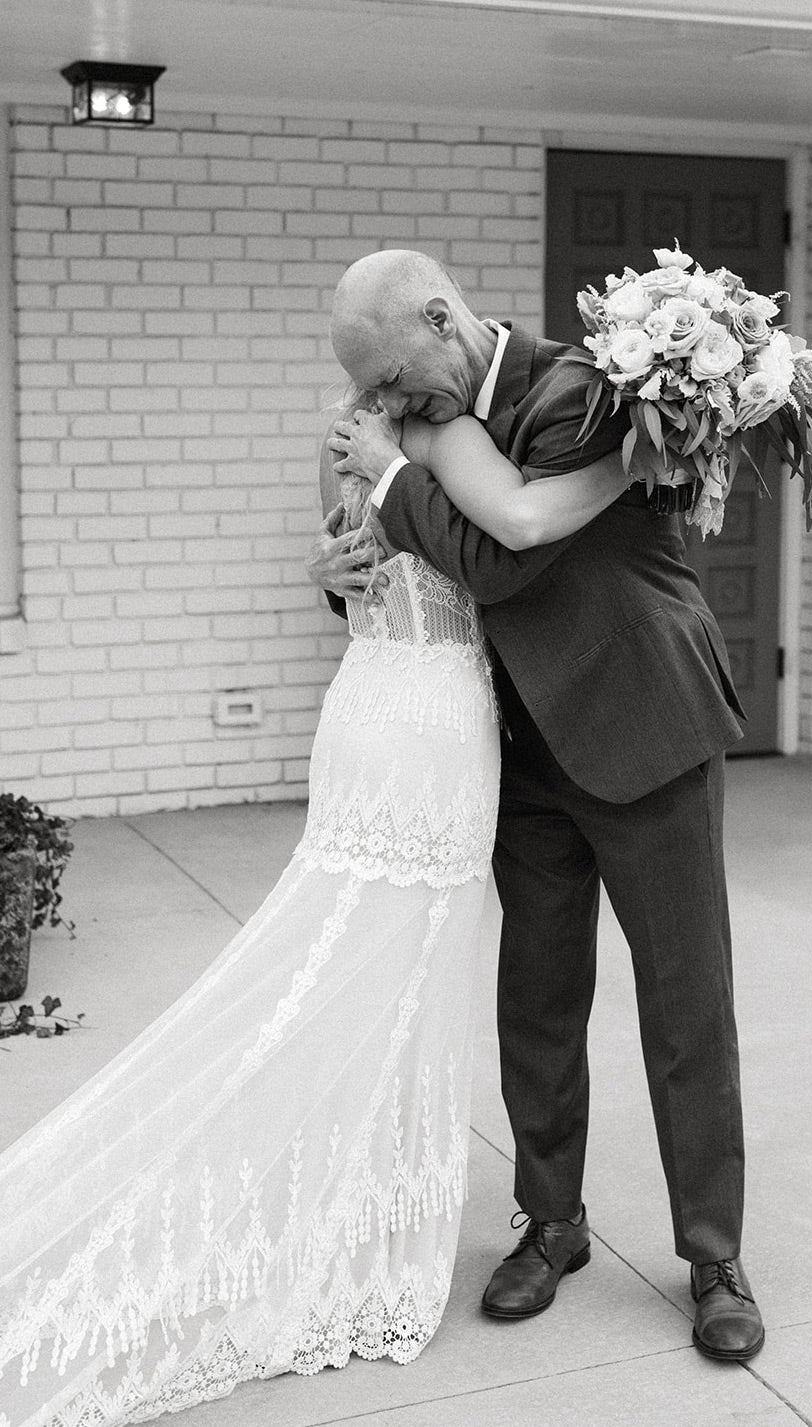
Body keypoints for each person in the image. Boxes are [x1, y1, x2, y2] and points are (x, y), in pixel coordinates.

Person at [0, 403, 631, 1424]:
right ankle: (365, 1217)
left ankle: (345, 1193)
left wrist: (324, 569)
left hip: (363, 704)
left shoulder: (344, 438)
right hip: (432, 725)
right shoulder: (460, 442)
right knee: (404, 981)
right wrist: (634, 462)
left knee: (349, 971)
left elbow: (348, 569)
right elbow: (517, 535)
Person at [309, 248, 765, 1362]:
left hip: (643, 727)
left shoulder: (584, 389)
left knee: (684, 1004)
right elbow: (423, 565)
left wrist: (387, 476)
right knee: (539, 1001)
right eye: (372, 394)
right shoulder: (418, 429)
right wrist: (348, 569)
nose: (388, 407)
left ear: (441, 316)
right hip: (519, 748)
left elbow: (506, 562)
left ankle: (712, 1250)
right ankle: (551, 1223)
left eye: (397, 381)